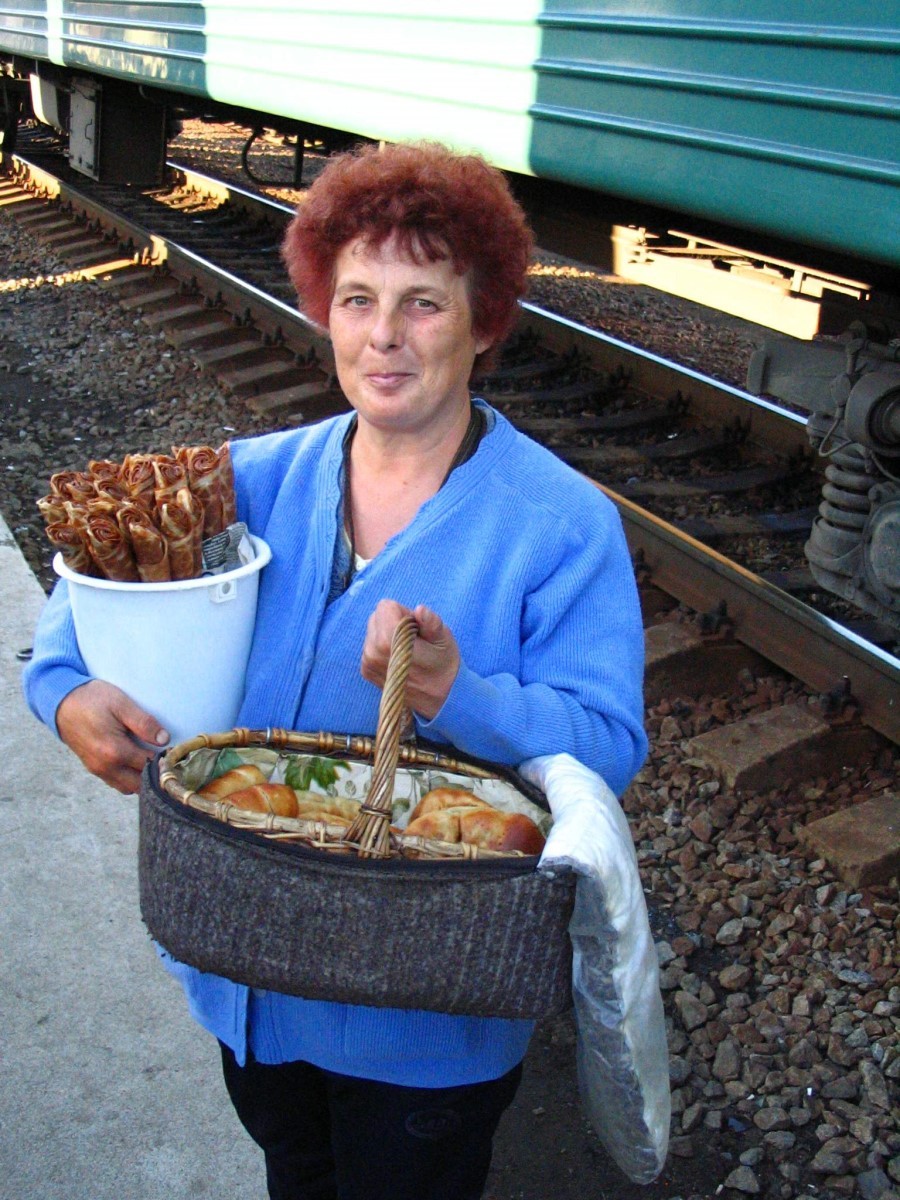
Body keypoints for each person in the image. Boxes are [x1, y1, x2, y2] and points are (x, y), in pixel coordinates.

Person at [23, 141, 648, 1200]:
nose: (383, 336)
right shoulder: (256, 478)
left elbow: (609, 747)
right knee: (296, 1175)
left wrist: (461, 696)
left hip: (426, 1015)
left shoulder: (558, 526)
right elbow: (91, 586)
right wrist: (64, 690)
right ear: (324, 307)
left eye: (423, 303)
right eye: (357, 299)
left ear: (484, 321)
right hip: (252, 980)